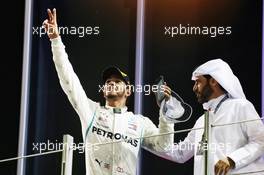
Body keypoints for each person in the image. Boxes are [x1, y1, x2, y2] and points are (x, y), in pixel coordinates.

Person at [43, 8, 185, 175]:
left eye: (118, 81)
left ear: (128, 91)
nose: (111, 84)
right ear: (103, 91)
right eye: (108, 82)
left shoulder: (139, 122)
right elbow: (68, 79)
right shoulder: (91, 112)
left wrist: (166, 113)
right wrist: (55, 40)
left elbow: (165, 146)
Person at [148, 59, 264, 175]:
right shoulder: (202, 121)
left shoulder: (240, 106)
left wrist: (232, 160)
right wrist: (143, 138)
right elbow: (179, 153)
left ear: (213, 81)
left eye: (198, 82)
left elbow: (260, 141)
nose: (194, 88)